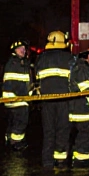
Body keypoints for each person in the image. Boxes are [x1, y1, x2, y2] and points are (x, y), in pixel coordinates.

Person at [35, 30, 77, 168]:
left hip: (47, 101)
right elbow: (74, 79)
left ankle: (47, 161)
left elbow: (37, 79)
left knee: (48, 131)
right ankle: (60, 160)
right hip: (64, 100)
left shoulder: (41, 58)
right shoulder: (69, 58)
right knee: (63, 129)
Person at [69, 48, 89, 168]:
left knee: (82, 135)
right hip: (83, 109)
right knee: (87, 134)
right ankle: (81, 162)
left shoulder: (78, 66)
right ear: (86, 56)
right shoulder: (83, 68)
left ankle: (79, 159)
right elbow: (86, 89)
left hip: (78, 107)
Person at [1, 40, 33, 150]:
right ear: (14, 50)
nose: (23, 50)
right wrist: (27, 95)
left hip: (14, 100)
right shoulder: (15, 64)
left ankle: (10, 140)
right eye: (20, 48)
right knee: (20, 122)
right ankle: (16, 143)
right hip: (17, 100)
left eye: (24, 48)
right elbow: (15, 84)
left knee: (13, 122)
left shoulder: (20, 63)